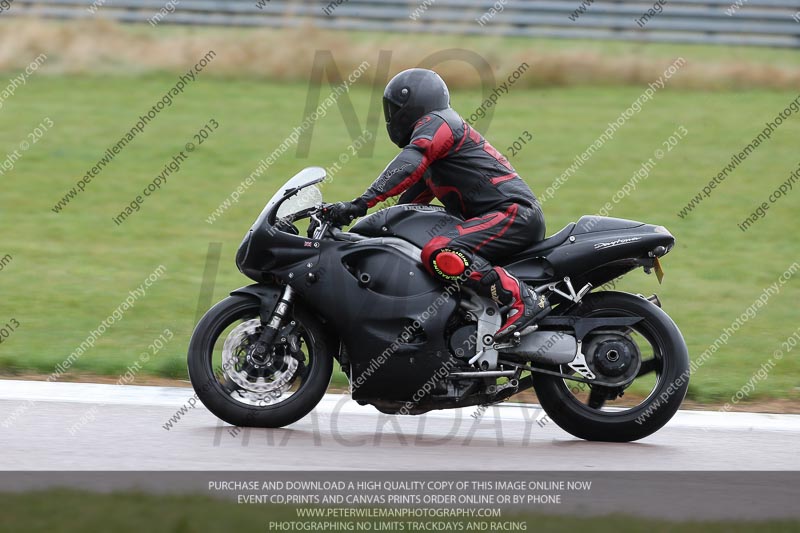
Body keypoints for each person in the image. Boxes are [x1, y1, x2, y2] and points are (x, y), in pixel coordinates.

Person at [328, 68, 549, 341]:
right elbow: (402, 214)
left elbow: (409, 163)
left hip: (513, 213)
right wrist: (357, 234)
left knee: (439, 249)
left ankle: (523, 298)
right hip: (504, 216)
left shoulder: (440, 122)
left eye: (394, 109)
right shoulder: (436, 161)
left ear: (414, 104)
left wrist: (359, 204)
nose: (391, 116)